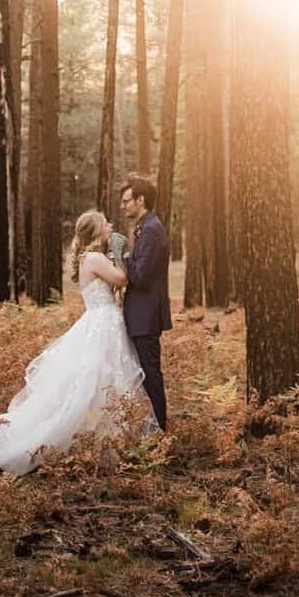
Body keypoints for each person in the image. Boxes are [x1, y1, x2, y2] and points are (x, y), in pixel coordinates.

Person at [0, 210, 153, 473]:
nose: (111, 224)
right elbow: (122, 279)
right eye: (105, 223)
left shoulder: (93, 257)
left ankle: (102, 438)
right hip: (102, 325)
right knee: (95, 382)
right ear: (95, 233)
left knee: (101, 382)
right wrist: (121, 252)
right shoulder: (93, 257)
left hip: (103, 323)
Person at [119, 175, 171, 431]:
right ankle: (151, 429)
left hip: (146, 317)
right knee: (146, 374)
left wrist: (124, 256)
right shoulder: (145, 227)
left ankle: (161, 431)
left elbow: (139, 277)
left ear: (141, 200)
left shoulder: (151, 229)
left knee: (151, 374)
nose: (123, 205)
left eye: (127, 200)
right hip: (140, 315)